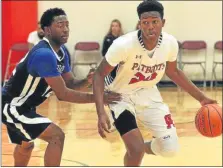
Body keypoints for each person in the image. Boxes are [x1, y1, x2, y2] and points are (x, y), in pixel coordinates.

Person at [93, 0, 217, 166]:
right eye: (145, 22)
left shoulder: (170, 43)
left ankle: (136, 149)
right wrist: (101, 112)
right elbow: (99, 74)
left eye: (154, 22)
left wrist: (201, 98)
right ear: (139, 24)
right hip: (119, 96)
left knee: (170, 148)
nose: (150, 26)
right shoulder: (123, 45)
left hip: (148, 93)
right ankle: (135, 150)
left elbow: (173, 72)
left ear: (163, 23)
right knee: (135, 151)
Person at [2, 8, 120, 167]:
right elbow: (63, 94)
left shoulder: (61, 51)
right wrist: (99, 98)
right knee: (56, 136)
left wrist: (87, 80)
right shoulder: (44, 54)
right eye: (60, 25)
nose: (65, 29)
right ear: (47, 30)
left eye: (67, 25)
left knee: (27, 144)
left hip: (26, 106)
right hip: (12, 106)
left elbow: (70, 84)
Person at [102, 19, 124, 86]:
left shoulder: (123, 38)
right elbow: (103, 52)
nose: (114, 28)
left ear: (119, 27)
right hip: (111, 62)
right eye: (113, 26)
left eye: (116, 26)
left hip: (121, 62)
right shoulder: (107, 38)